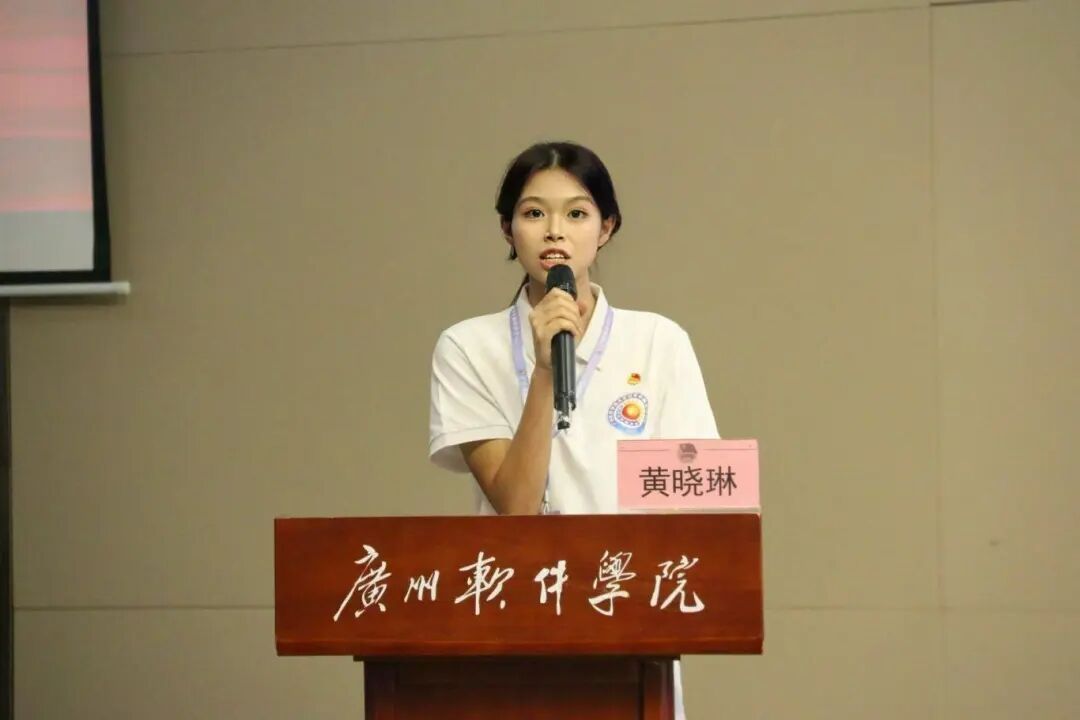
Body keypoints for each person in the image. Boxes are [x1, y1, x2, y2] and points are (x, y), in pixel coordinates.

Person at [427, 141, 719, 719]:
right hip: (517, 615)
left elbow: (698, 496)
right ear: (507, 229)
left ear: (606, 228)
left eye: (577, 213)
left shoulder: (658, 341)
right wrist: (543, 370)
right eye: (534, 213)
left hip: (628, 613)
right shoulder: (467, 346)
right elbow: (514, 507)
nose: (554, 230)